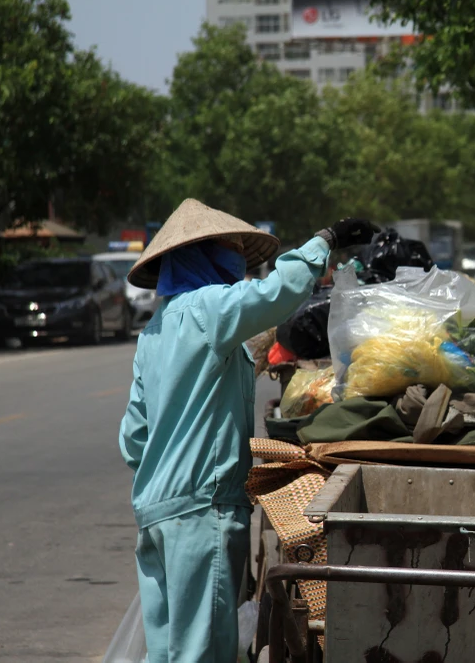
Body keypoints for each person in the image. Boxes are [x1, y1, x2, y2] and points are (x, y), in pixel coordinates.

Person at [118, 199, 377, 662]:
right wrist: (325, 241)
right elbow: (279, 292)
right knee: (202, 651)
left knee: (166, 652)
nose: (239, 257)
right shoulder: (208, 309)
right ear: (206, 254)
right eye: (231, 247)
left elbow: (134, 437)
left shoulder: (154, 332)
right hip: (201, 511)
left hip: (155, 511)